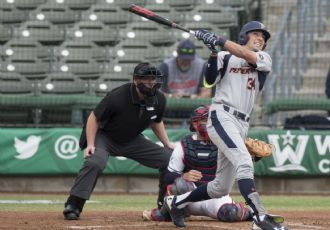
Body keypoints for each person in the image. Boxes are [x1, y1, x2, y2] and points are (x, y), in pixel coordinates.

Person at [163, 21, 289, 230]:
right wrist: (214, 52)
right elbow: (209, 81)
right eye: (255, 34)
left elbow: (246, 56)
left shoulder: (264, 59)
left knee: (220, 187)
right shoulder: (225, 56)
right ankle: (260, 216)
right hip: (222, 115)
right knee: (244, 162)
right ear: (243, 37)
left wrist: (219, 40)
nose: (260, 38)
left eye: (263, 37)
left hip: (242, 122)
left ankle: (175, 202)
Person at [63, 63, 174, 220]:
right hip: (105, 137)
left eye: (153, 79)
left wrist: (167, 143)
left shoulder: (159, 99)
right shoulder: (118, 96)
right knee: (95, 162)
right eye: (146, 79)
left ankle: (164, 208)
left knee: (170, 160)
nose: (151, 82)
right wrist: (90, 144)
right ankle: (74, 205)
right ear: (136, 80)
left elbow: (156, 121)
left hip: (132, 139)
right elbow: (94, 118)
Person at [143, 105, 254, 223]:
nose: (212, 124)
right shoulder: (184, 144)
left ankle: (250, 212)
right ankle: (165, 214)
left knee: (230, 213)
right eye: (207, 120)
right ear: (195, 123)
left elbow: (241, 166)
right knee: (180, 185)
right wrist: (183, 176)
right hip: (189, 197)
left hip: (216, 197)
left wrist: (252, 157)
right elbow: (168, 177)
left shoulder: (227, 142)